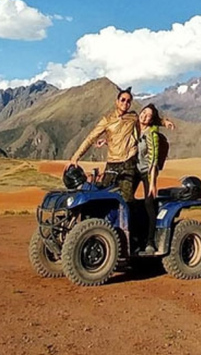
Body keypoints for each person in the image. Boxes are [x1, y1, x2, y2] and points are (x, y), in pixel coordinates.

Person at [69, 87, 174, 205]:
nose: (125, 103)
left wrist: (165, 122)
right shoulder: (107, 120)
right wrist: (76, 157)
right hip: (111, 164)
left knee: (126, 200)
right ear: (117, 101)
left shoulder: (133, 117)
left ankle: (127, 224)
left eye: (128, 101)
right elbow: (91, 138)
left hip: (128, 164)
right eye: (123, 100)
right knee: (104, 197)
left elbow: (150, 119)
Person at [136, 103, 164, 255]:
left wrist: (152, 182)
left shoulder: (152, 134)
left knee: (149, 202)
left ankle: (150, 242)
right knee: (127, 200)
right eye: (144, 113)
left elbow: (153, 159)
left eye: (149, 116)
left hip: (148, 171)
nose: (144, 116)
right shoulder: (134, 127)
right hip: (135, 169)